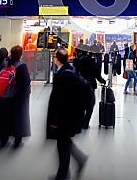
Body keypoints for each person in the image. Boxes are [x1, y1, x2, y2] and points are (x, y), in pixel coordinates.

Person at [46, 47, 88, 180]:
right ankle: (79, 160)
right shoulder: (69, 71)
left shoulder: (64, 75)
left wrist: (55, 120)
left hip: (65, 117)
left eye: (54, 57)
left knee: (62, 145)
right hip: (70, 116)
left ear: (57, 59)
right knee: (65, 142)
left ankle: (62, 175)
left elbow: (62, 101)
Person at [0, 45, 31, 149]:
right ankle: (17, 142)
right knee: (18, 119)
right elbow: (26, 83)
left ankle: (3, 140)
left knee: (4, 118)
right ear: (21, 55)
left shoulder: (5, 63)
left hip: (4, 96)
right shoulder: (21, 66)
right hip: (17, 98)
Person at [73, 49, 106, 129]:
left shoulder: (76, 60)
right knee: (90, 104)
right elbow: (95, 73)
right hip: (90, 84)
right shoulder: (90, 61)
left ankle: (79, 122)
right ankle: (86, 123)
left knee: (80, 103)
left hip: (79, 84)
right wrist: (102, 80)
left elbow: (74, 72)